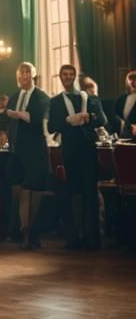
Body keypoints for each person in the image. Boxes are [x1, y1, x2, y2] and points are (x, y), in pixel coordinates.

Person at [48, 64, 108, 249]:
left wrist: (89, 117)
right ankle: (74, 238)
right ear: (60, 77)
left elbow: (103, 120)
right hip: (69, 151)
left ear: (74, 77)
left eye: (71, 74)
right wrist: (67, 120)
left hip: (88, 150)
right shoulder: (56, 101)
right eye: (64, 74)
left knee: (89, 193)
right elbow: (51, 127)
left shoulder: (89, 98)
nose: (67, 77)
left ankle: (92, 239)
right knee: (72, 193)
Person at [4, 62, 51, 248]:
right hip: (16, 151)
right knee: (17, 190)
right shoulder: (14, 97)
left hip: (35, 151)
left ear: (33, 75)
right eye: (21, 73)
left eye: (27, 72)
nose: (24, 76)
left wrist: (24, 116)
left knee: (33, 190)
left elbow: (41, 119)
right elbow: (6, 120)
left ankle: (30, 233)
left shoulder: (42, 97)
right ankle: (19, 230)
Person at [113, 70, 136, 139]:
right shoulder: (122, 98)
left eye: (135, 78)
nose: (132, 81)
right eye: (130, 79)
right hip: (122, 133)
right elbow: (115, 114)